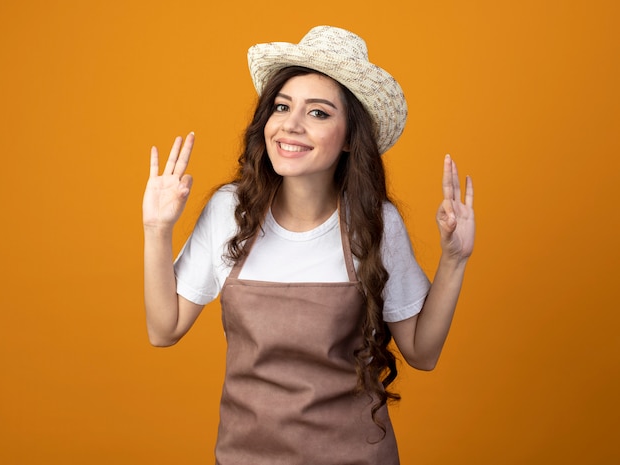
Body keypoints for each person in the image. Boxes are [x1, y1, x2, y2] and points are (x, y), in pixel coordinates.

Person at [143, 25, 475, 465]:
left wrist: (454, 258)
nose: (291, 125)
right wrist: (156, 229)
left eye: (318, 113)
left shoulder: (374, 220)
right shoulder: (230, 210)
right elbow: (163, 330)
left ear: (349, 139)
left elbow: (422, 352)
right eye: (282, 107)